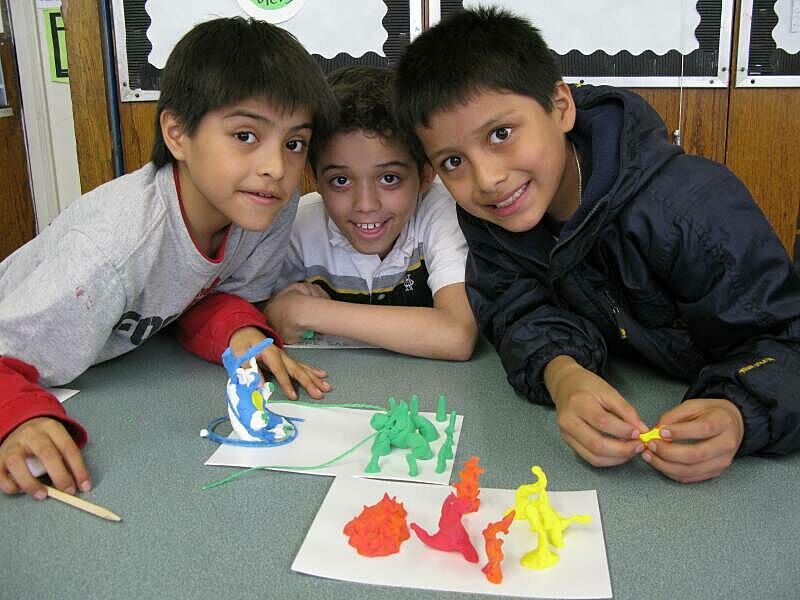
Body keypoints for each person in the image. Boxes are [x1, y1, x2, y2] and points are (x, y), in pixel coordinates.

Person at [394, 7, 800, 483]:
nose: (487, 179)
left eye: (501, 134)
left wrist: (738, 414)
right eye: (453, 161)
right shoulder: (490, 218)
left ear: (561, 106)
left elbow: (788, 337)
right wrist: (563, 374)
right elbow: (515, 309)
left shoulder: (692, 209)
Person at [0, 17, 337, 500]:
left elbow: (204, 293)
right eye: (245, 135)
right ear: (177, 134)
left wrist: (239, 332)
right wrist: (15, 417)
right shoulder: (110, 250)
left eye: (294, 143)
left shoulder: (264, 206)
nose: (276, 168)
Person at [213, 65, 477, 359]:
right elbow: (249, 309)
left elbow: (457, 335)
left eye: (389, 178)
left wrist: (309, 311)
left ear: (426, 175)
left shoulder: (439, 212)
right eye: (340, 181)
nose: (365, 204)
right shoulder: (296, 226)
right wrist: (274, 309)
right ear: (314, 177)